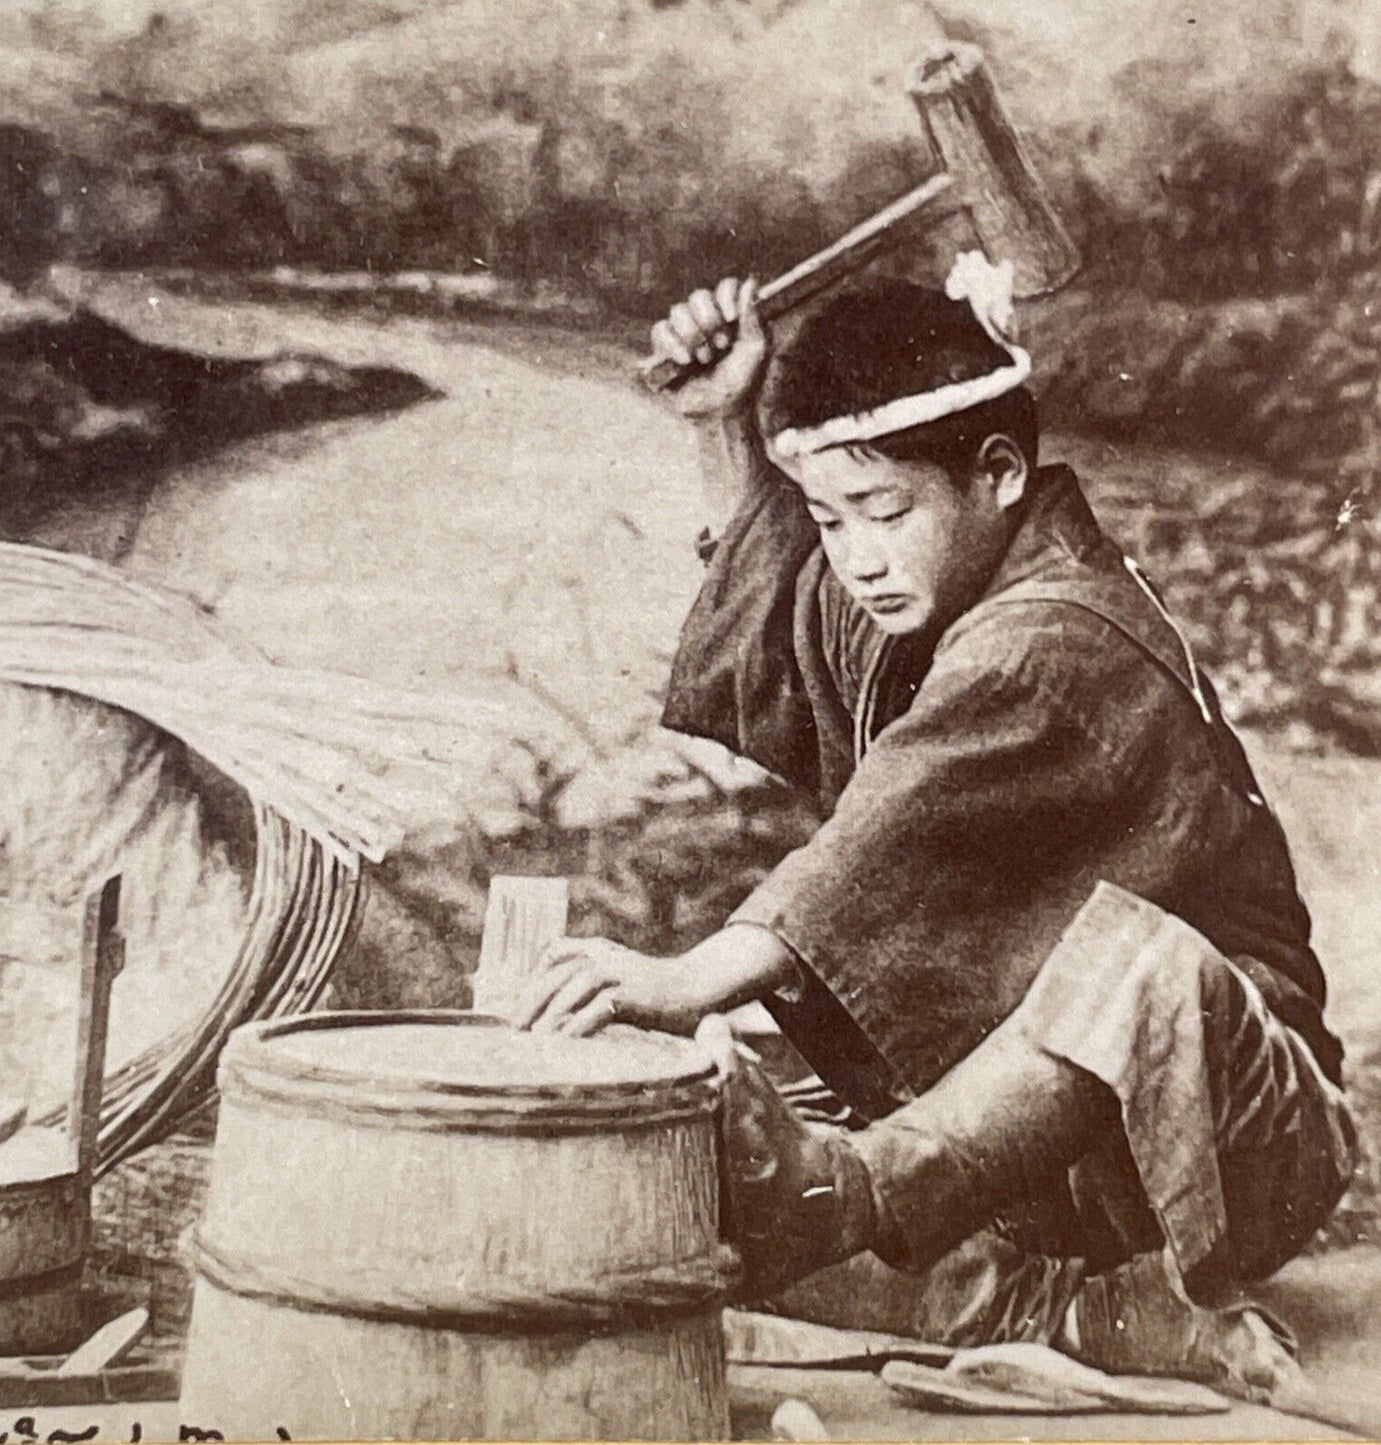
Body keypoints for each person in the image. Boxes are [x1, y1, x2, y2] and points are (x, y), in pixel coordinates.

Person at [503, 257, 1357, 1394]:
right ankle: (1057, 1303)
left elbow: (881, 839)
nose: (853, 555)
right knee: (679, 1184)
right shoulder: (941, 589)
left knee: (1131, 965)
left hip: (1222, 1129)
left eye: (881, 511)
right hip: (1048, 1146)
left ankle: (854, 1196)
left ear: (997, 472)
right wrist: (727, 427)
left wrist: (686, 977)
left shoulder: (1055, 636)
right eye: (825, 515)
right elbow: (789, 618)